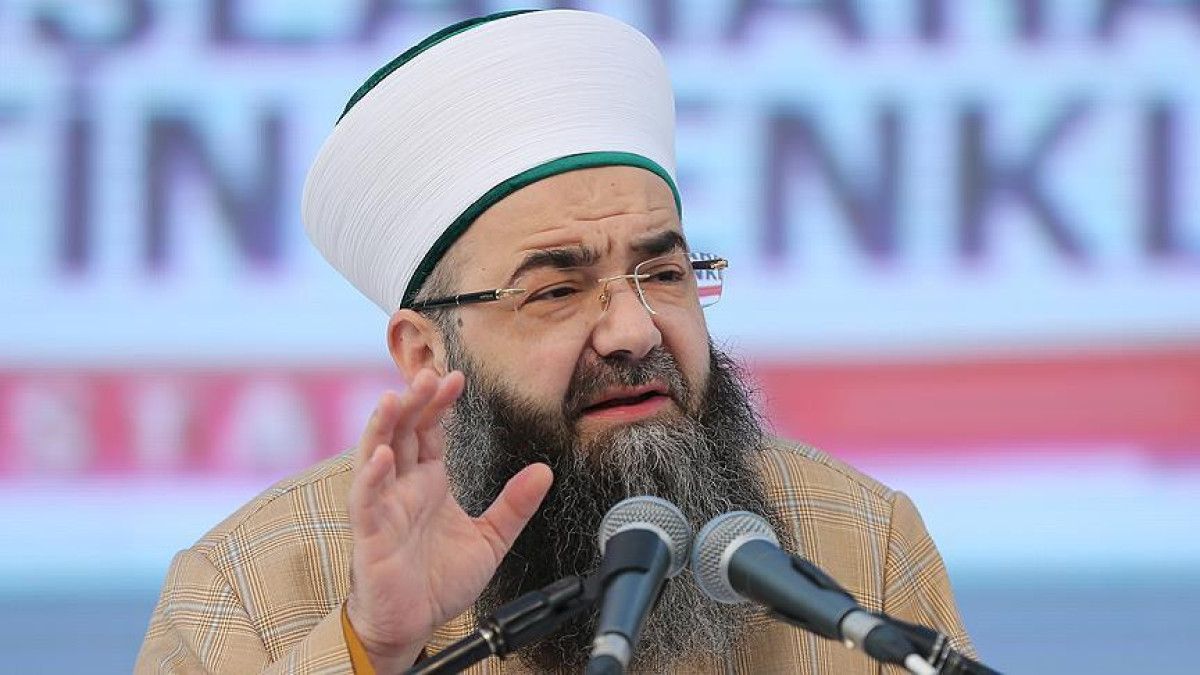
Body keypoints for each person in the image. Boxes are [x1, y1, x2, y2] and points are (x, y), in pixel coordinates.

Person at [136, 9, 974, 674]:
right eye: (557, 290)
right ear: (426, 353)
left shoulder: (860, 541)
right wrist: (373, 649)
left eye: (664, 273)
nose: (634, 330)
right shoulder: (251, 587)